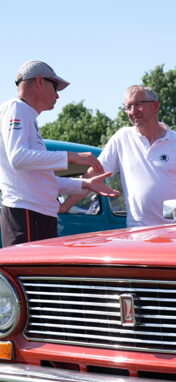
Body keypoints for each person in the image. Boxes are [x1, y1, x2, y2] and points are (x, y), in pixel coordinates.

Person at [0, 60, 119, 247]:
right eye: (55, 87)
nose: (57, 95)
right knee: (32, 267)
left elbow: (42, 180)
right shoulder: (17, 107)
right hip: (27, 214)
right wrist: (71, 156)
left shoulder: (25, 113)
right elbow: (18, 158)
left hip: (35, 214)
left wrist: (86, 184)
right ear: (39, 81)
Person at [64, 85, 176, 228]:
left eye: (138, 104)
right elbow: (93, 176)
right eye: (128, 107)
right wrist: (65, 207)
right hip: (138, 231)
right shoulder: (122, 138)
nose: (133, 111)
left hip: (175, 230)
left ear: (155, 106)